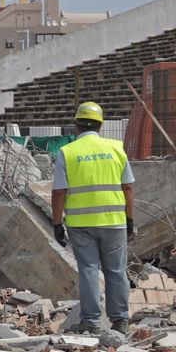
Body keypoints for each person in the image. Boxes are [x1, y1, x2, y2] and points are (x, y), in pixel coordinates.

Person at [51, 101, 135, 335]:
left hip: (81, 224)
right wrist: (130, 220)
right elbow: (128, 187)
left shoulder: (68, 152)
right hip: (114, 221)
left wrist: (57, 224)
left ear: (76, 125)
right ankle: (120, 321)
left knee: (88, 269)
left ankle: (91, 322)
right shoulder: (116, 148)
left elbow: (59, 191)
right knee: (116, 270)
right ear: (100, 125)